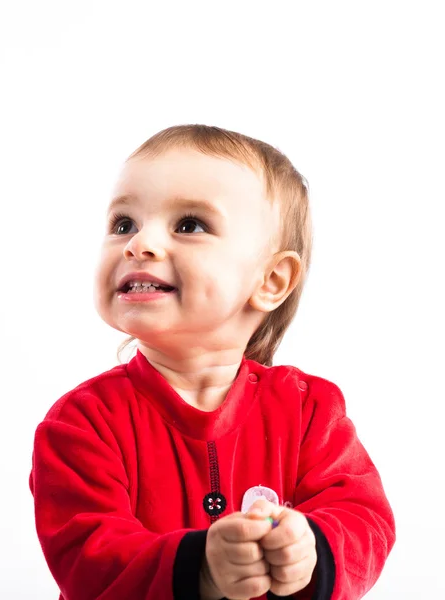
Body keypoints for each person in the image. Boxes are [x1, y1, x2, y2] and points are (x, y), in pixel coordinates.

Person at [28, 124, 396, 600]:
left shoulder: (310, 411)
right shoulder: (80, 424)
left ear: (271, 280)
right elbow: (87, 556)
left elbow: (364, 517)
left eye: (190, 225)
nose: (139, 244)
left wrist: (311, 550)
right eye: (124, 224)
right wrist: (200, 566)